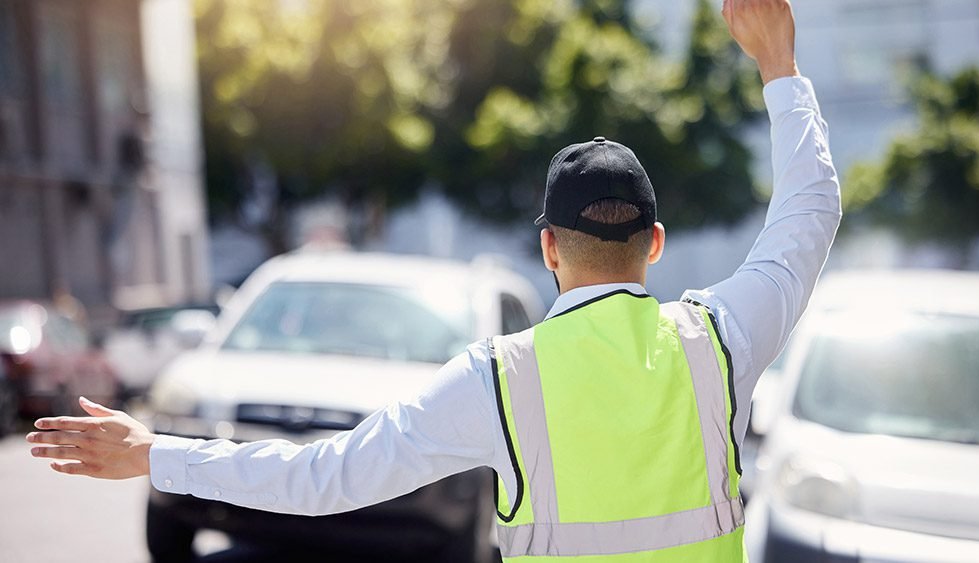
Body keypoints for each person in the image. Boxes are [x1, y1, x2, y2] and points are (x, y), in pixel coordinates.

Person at [26, 0, 839, 560]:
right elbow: (811, 210)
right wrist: (779, 63)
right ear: (654, 243)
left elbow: (326, 476)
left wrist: (157, 453)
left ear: (549, 248)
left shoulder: (501, 379)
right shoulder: (720, 341)